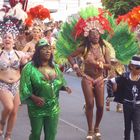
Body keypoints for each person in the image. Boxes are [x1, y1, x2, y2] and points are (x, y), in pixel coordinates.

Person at [20, 38, 71, 140]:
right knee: (36, 133)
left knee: (51, 134)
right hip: (36, 107)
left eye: (49, 49)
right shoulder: (29, 67)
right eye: (44, 49)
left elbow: (60, 81)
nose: (48, 51)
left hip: (53, 106)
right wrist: (34, 98)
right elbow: (24, 86)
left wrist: (64, 87)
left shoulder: (54, 67)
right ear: (38, 52)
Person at [68, 28, 111, 139]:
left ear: (100, 35)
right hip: (87, 78)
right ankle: (90, 129)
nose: (95, 36)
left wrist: (96, 64)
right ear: (88, 36)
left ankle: (97, 127)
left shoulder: (104, 48)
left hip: (100, 79)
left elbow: (109, 66)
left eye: (97, 34)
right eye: (92, 34)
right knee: (90, 104)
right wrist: (76, 68)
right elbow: (70, 56)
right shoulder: (85, 48)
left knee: (100, 106)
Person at [0, 32, 28, 140]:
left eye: (10, 37)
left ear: (14, 41)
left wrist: (25, 61)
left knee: (14, 111)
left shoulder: (19, 54)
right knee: (9, 107)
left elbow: (26, 67)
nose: (7, 39)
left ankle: (8, 135)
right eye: (5, 37)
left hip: (17, 84)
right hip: (3, 84)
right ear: (2, 40)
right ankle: (2, 122)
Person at [109, 55, 140, 140]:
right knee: (127, 127)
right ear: (132, 67)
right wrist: (112, 93)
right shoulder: (125, 76)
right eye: (138, 68)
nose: (139, 70)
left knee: (137, 128)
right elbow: (111, 82)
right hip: (127, 105)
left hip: (138, 106)